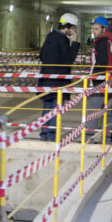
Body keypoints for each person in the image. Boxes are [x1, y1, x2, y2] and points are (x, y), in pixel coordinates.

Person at [37, 13, 80, 141]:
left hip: (46, 79)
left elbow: (42, 55)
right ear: (69, 27)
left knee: (47, 107)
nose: (74, 31)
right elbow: (68, 60)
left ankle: (44, 134)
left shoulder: (50, 36)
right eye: (74, 28)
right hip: (58, 81)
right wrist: (75, 42)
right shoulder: (63, 40)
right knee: (56, 109)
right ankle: (51, 136)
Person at [87, 16, 112, 143]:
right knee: (109, 113)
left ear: (104, 29)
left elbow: (103, 64)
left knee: (93, 112)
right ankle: (108, 140)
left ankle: (89, 140)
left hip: (102, 82)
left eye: (96, 29)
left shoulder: (103, 41)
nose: (94, 31)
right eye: (93, 28)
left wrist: (95, 80)